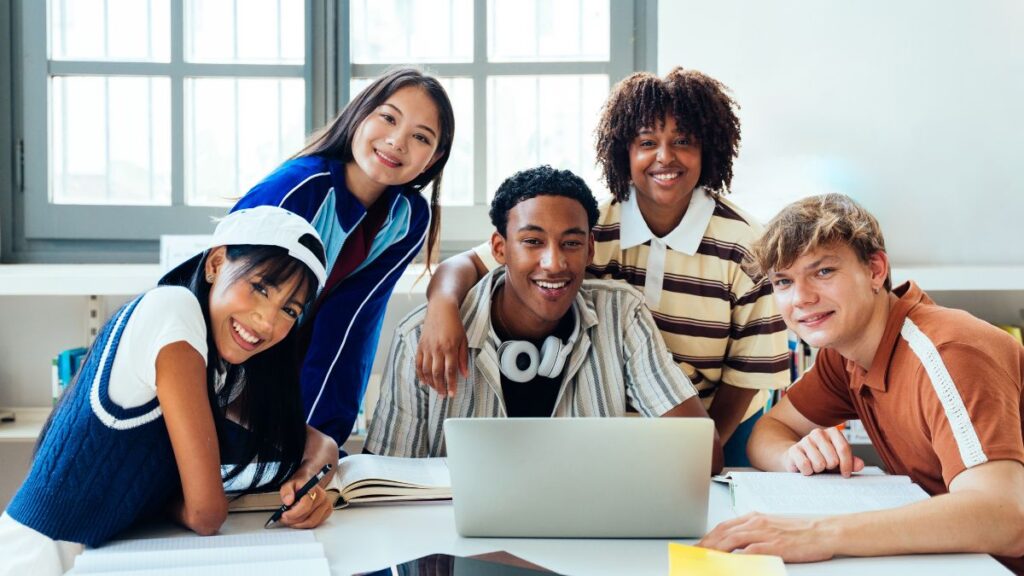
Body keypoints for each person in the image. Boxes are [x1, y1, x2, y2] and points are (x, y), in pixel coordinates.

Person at [415, 67, 788, 466]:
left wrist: (703, 448)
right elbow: (467, 264)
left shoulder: (747, 244)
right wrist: (442, 307)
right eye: (647, 142)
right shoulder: (586, 227)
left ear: (709, 149)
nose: (665, 156)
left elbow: (747, 372)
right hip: (612, 420)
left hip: (717, 422)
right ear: (623, 151)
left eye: (683, 141)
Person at [0, 206, 340, 576]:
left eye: (289, 310)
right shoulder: (172, 313)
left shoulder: (224, 369)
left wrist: (309, 479)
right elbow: (206, 514)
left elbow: (317, 443)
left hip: (101, 556)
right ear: (215, 263)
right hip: (40, 560)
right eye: (259, 288)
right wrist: (158, 501)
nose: (267, 320)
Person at [698, 194, 1024, 572]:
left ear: (875, 271)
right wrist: (795, 455)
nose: (801, 298)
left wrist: (818, 533)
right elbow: (769, 429)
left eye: (823, 272)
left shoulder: (949, 352)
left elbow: (1004, 516)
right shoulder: (845, 354)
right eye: (784, 281)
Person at [365, 166, 723, 473]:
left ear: (589, 250)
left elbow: (704, 454)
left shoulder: (621, 316)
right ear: (500, 249)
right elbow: (384, 478)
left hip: (585, 537)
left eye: (570, 243)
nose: (554, 263)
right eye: (533, 241)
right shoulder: (418, 336)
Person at [232, 67, 455, 447]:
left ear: (432, 161)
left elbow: (351, 328)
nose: (397, 142)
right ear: (359, 114)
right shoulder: (298, 189)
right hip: (218, 379)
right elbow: (227, 308)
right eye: (388, 117)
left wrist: (321, 440)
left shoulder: (409, 219)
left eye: (421, 137)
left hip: (285, 393)